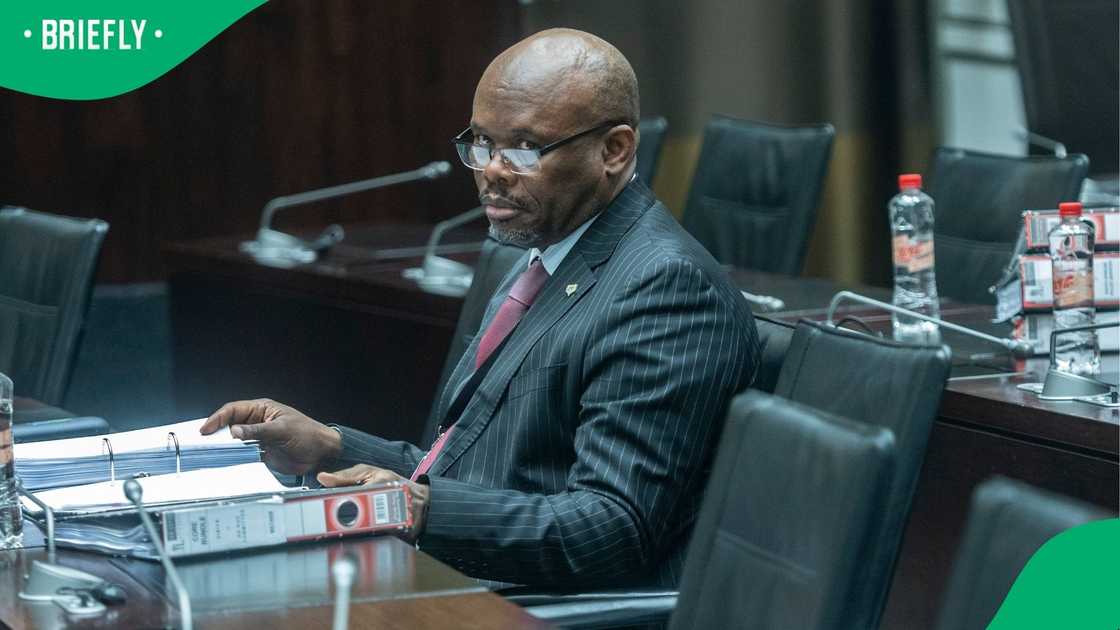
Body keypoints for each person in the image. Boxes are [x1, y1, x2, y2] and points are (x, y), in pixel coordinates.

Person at [201, 28, 760, 589]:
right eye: (483, 143)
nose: (492, 169)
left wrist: (417, 511)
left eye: (522, 148)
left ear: (613, 150)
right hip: (468, 577)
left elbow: (612, 529)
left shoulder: (667, 289)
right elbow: (469, 464)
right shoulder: (543, 255)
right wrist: (333, 446)